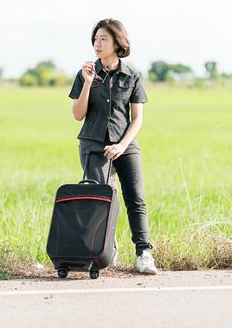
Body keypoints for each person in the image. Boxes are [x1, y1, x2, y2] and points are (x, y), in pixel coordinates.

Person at [68, 18, 158, 275]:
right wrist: (87, 83)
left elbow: (137, 118)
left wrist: (121, 145)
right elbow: (77, 114)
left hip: (125, 144)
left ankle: (144, 253)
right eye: (95, 39)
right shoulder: (85, 72)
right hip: (93, 144)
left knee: (136, 199)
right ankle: (104, 251)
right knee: (100, 200)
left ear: (118, 42)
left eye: (103, 39)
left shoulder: (131, 76)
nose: (97, 44)